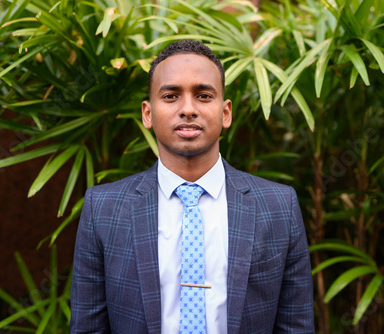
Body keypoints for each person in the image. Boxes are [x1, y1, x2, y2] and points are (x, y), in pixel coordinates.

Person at [70, 40, 314, 333]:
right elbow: (88, 327)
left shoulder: (278, 207)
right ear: (148, 113)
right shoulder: (104, 208)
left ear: (226, 113)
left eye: (203, 95)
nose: (188, 109)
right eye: (171, 96)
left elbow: (295, 326)